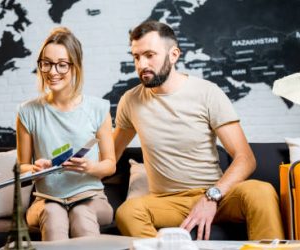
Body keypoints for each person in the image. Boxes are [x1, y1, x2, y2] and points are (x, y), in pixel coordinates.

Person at [113, 20, 284, 240]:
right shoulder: (130, 101)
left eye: (149, 55)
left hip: (218, 196)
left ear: (173, 55)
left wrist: (211, 198)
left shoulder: (207, 93)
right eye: (136, 57)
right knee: (128, 212)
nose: (141, 64)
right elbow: (110, 155)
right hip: (167, 202)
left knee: (261, 191)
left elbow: (246, 159)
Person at [16, 27, 116, 241]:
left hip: (91, 197)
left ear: (75, 66)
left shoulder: (98, 109)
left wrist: (91, 167)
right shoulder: (27, 112)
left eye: (62, 64)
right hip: (46, 199)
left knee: (81, 214)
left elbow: (110, 164)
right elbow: (21, 168)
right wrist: (34, 169)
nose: (52, 72)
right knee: (53, 215)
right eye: (47, 63)